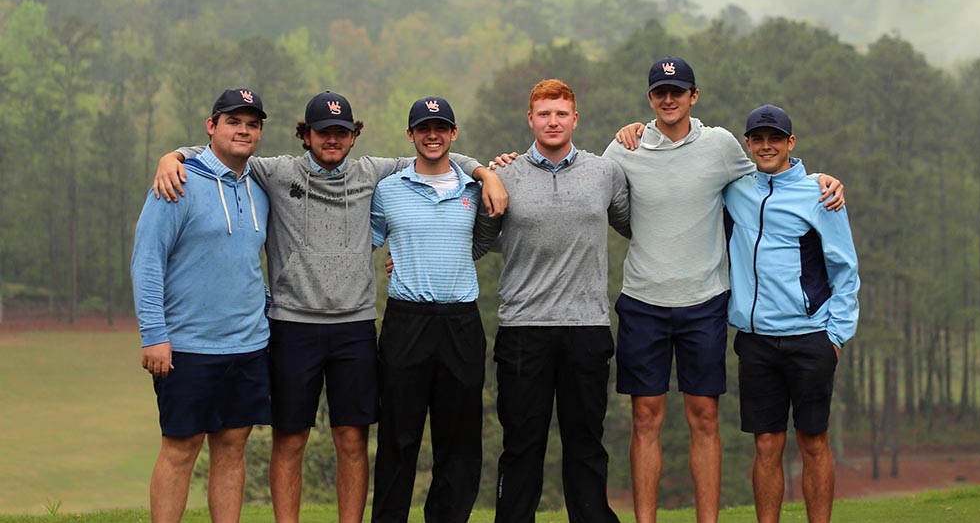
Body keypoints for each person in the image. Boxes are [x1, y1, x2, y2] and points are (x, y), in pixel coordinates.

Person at [151, 91, 507, 523]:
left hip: (354, 326)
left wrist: (484, 172)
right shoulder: (275, 172)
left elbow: (435, 154)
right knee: (290, 438)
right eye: (323, 132)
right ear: (306, 135)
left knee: (353, 439)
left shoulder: (374, 173)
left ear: (353, 136)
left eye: (341, 132)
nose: (332, 140)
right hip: (291, 326)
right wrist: (175, 156)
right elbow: (224, 154)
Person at [607, 58, 844, 523]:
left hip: (705, 301)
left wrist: (821, 180)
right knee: (645, 419)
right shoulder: (624, 149)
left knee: (706, 419)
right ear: (650, 98)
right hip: (643, 300)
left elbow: (771, 171)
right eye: (660, 92)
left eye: (678, 91)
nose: (669, 99)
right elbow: (609, 205)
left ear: (694, 96)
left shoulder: (720, 145)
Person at [472, 79, 630, 523]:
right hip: (524, 330)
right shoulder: (504, 175)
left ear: (575, 118)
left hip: (587, 328)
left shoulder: (604, 173)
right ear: (530, 119)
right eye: (544, 114)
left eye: (561, 113)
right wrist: (406, 259)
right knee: (522, 444)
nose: (553, 121)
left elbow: (638, 225)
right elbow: (475, 244)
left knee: (585, 443)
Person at [131, 88, 271, 523]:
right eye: (233, 121)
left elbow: (247, 262)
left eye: (252, 123)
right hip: (188, 348)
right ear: (211, 127)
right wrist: (154, 335)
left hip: (248, 346)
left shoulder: (260, 189)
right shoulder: (176, 181)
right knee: (180, 450)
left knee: (232, 448)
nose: (243, 130)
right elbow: (147, 261)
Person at [724, 105, 859, 523]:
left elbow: (845, 269)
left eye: (775, 138)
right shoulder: (734, 189)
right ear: (747, 144)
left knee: (813, 441)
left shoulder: (819, 193)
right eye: (758, 139)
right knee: (766, 443)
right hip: (757, 339)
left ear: (790, 143)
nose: (766, 146)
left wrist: (836, 336)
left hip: (810, 337)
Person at [370, 96, 487, 523]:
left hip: (460, 322)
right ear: (411, 135)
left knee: (458, 442)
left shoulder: (475, 188)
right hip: (407, 322)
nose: (432, 135)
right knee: (399, 437)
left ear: (454, 134)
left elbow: (482, 241)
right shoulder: (388, 189)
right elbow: (372, 239)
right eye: (424, 128)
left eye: (440, 128)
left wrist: (487, 172)